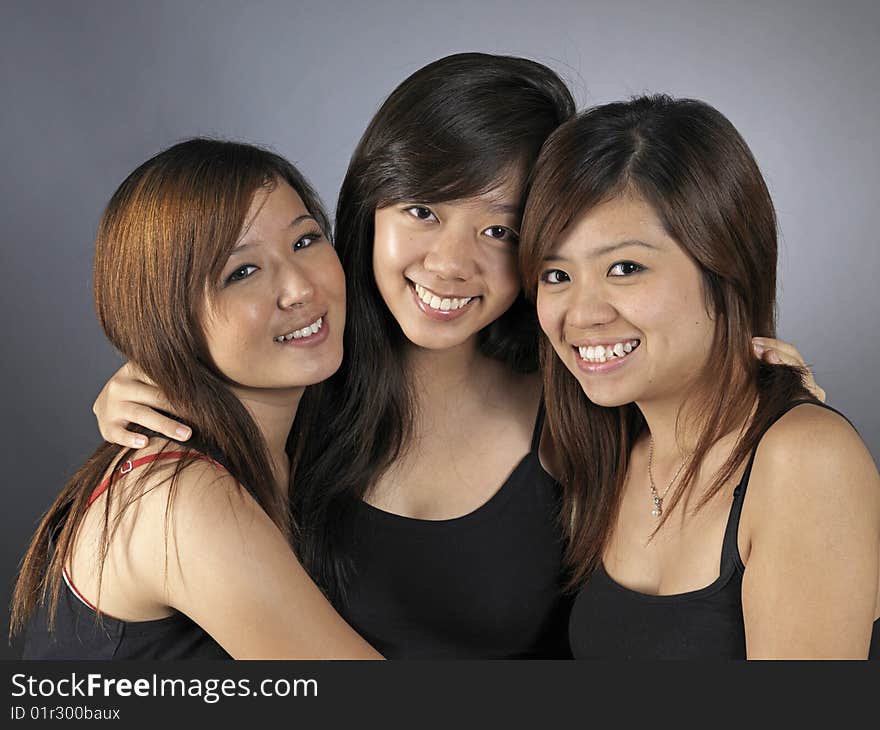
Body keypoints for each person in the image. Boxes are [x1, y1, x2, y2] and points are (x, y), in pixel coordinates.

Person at [88, 57, 823, 659]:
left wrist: (767, 420)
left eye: (500, 232)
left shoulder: (588, 401)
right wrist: (157, 375)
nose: (448, 264)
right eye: (423, 210)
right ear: (371, 203)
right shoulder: (294, 373)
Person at [519, 94, 880, 659]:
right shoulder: (610, 457)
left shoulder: (804, 460)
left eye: (625, 268)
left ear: (726, 266)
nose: (582, 313)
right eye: (556, 274)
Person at [11, 139, 381, 659]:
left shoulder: (309, 433)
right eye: (242, 272)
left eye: (305, 241)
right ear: (168, 318)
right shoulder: (179, 496)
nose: (299, 287)